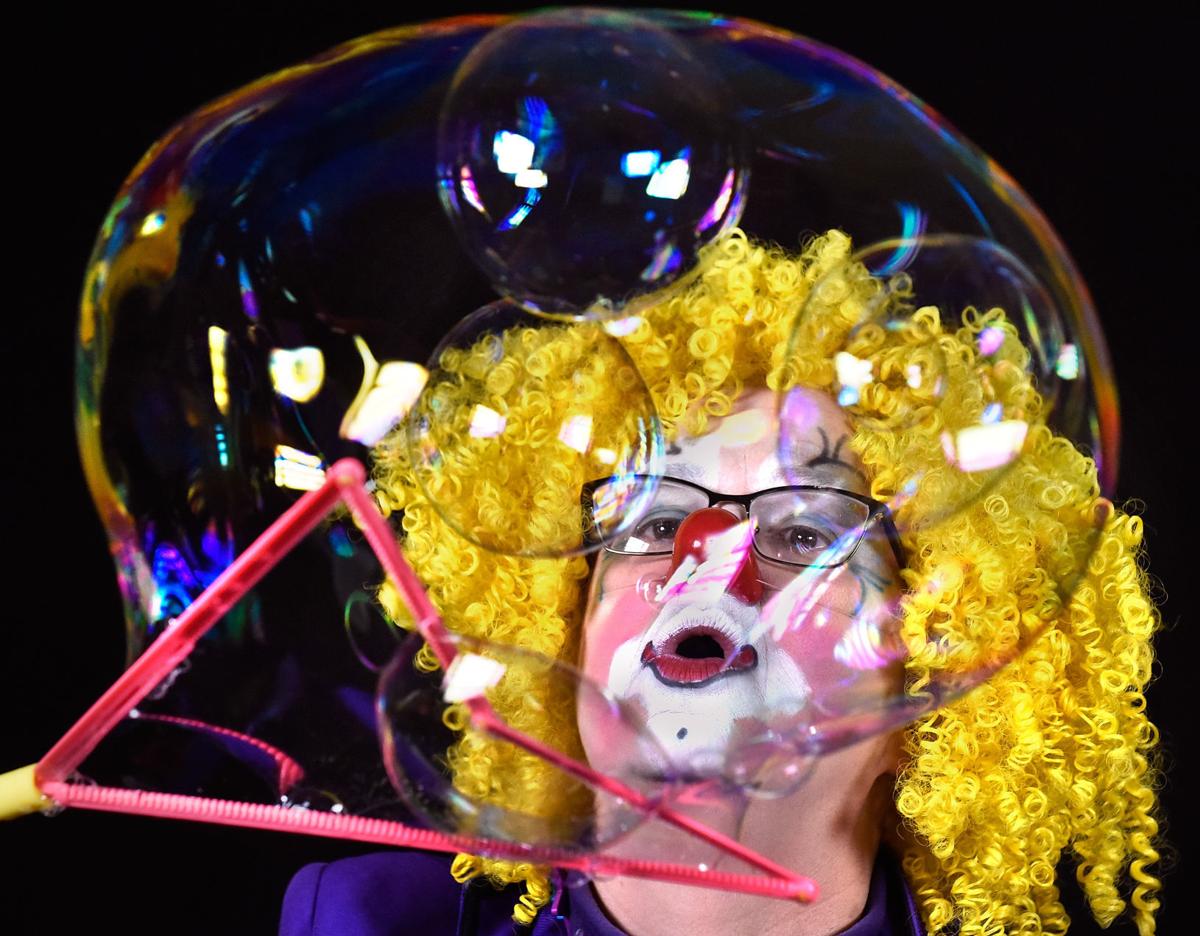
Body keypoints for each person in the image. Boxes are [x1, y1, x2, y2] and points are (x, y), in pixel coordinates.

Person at [281, 227, 1164, 935]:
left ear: (945, 662)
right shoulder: (361, 920)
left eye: (807, 531)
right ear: (561, 629)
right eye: (655, 521)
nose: (706, 554)